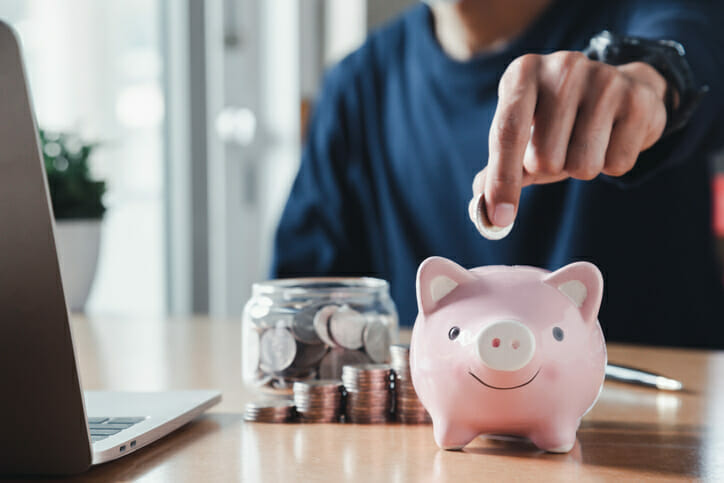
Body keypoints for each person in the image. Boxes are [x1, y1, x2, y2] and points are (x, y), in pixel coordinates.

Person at [271, 0, 724, 348]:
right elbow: (298, 308)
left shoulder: (651, 17)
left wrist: (649, 81)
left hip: (655, 441)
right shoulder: (356, 87)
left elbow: (689, 50)